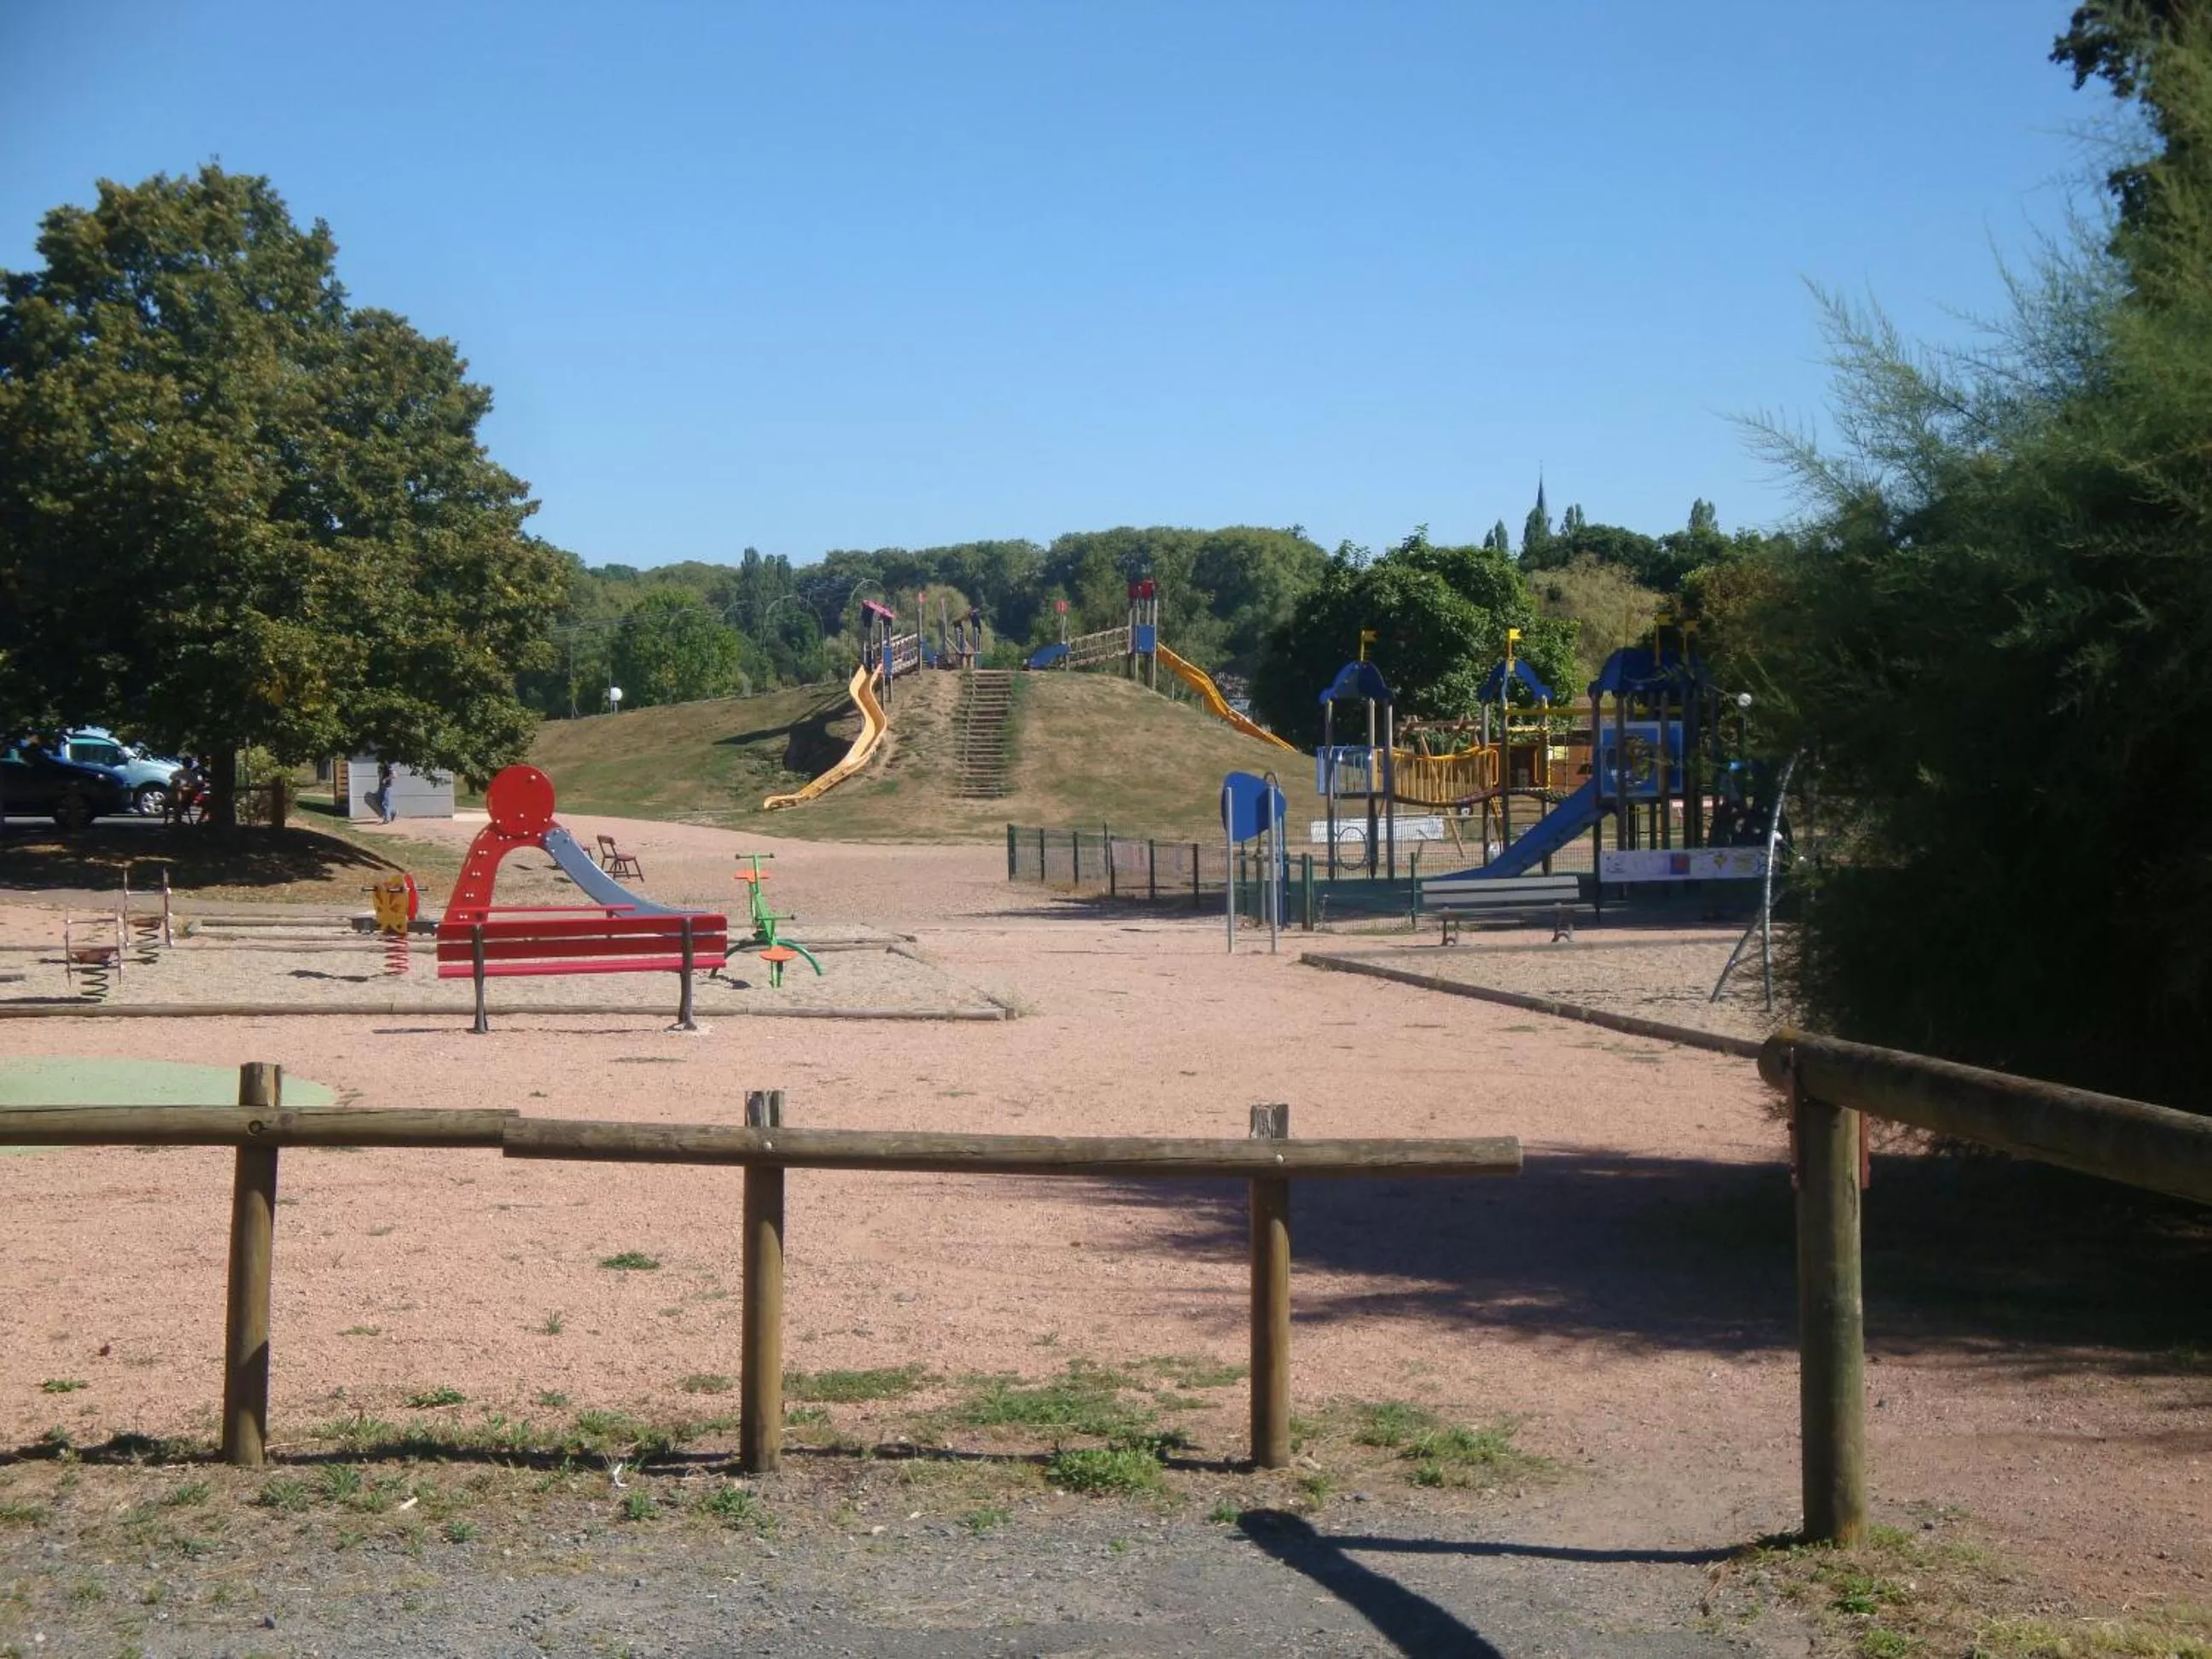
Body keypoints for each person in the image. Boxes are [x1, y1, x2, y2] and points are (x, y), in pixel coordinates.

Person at [375, 761, 397, 825]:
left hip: (387, 787)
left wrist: (386, 779)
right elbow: (380, 776)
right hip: (381, 786)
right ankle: (393, 812)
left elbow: (394, 775)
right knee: (378, 802)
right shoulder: (380, 765)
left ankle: (387, 819)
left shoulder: (387, 765)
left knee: (385, 803)